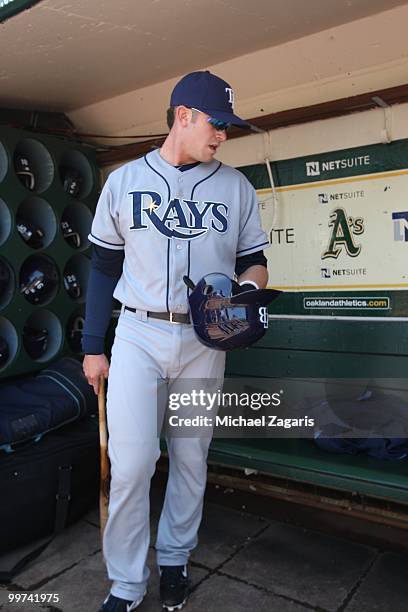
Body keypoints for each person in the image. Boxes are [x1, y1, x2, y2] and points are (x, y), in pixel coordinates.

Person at [82, 70, 269, 612]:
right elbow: (101, 266)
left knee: (190, 457)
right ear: (183, 116)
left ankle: (173, 558)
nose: (223, 136)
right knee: (133, 459)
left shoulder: (234, 187)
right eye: (217, 124)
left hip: (206, 337)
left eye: (228, 128)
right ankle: (125, 583)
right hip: (137, 332)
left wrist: (247, 291)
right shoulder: (122, 182)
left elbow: (254, 260)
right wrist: (95, 346)